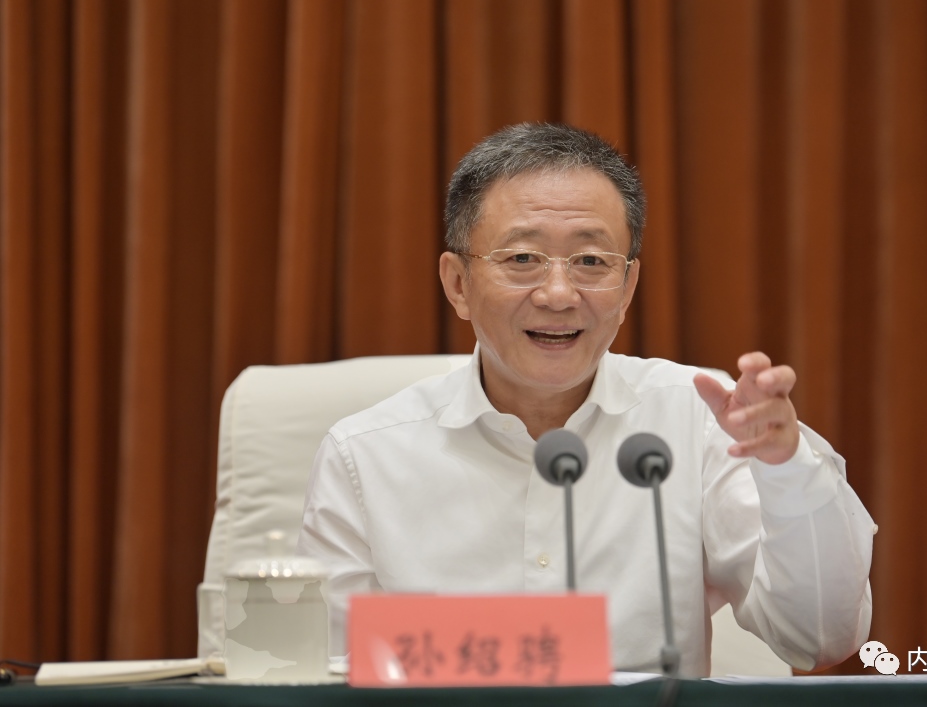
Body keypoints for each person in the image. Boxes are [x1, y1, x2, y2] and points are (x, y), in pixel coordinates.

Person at [296, 122, 875, 677]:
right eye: (522, 259)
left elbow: (819, 639)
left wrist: (786, 471)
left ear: (627, 288)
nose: (558, 294)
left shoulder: (702, 420)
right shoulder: (364, 456)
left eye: (592, 262)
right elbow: (322, 675)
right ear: (458, 284)